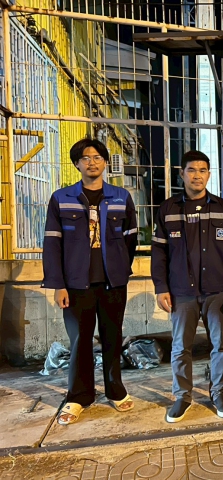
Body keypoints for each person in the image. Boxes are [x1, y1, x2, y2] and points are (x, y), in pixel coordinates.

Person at [42, 138, 138, 425]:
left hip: (113, 284)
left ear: (105, 162)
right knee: (80, 341)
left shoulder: (121, 197)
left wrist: (120, 267)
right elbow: (52, 245)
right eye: (85, 158)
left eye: (97, 157)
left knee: (113, 337)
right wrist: (58, 284)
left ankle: (115, 390)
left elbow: (130, 239)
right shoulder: (61, 198)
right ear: (77, 164)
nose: (92, 162)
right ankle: (78, 396)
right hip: (75, 285)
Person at [151, 150, 223, 423]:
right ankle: (182, 396)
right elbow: (159, 253)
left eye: (203, 170)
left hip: (218, 291)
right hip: (182, 292)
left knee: (221, 345)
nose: (197, 175)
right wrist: (161, 287)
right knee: (181, 347)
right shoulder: (168, 209)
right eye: (191, 170)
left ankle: (219, 393)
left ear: (209, 175)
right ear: (182, 174)